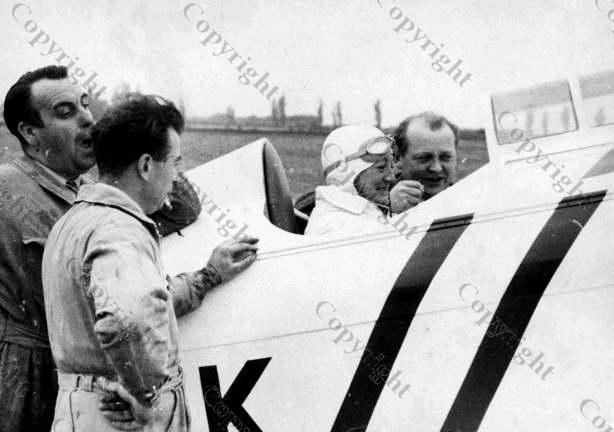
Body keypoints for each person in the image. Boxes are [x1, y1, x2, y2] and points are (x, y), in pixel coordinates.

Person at [0, 65, 201, 431]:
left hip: (88, 380)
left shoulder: (92, 191)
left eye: (86, 105)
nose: (88, 119)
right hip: (24, 382)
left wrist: (135, 133)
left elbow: (183, 208)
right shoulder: (5, 191)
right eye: (66, 112)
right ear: (29, 133)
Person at [41, 93, 259, 431]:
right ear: (145, 166)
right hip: (124, 418)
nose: (176, 177)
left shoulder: (73, 222)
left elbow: (138, 302)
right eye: (174, 163)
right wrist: (147, 395)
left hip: (80, 411)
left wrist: (210, 275)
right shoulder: (120, 229)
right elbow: (125, 317)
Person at [305, 125, 405, 236]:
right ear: (346, 174)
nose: (391, 177)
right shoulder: (333, 225)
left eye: (391, 166)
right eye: (381, 168)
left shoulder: (363, 210)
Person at [390, 111, 459, 208]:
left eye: (445, 157)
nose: (436, 168)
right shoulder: (371, 207)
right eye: (424, 158)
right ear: (397, 158)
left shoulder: (469, 200)